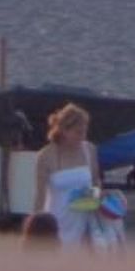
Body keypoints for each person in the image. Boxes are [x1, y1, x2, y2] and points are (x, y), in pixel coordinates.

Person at [32, 103, 102, 250]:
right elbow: (40, 197)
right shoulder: (45, 156)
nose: (82, 137)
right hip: (56, 221)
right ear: (64, 130)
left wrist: (94, 200)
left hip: (83, 220)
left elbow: (96, 182)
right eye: (78, 132)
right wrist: (36, 231)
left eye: (84, 132)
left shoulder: (89, 150)